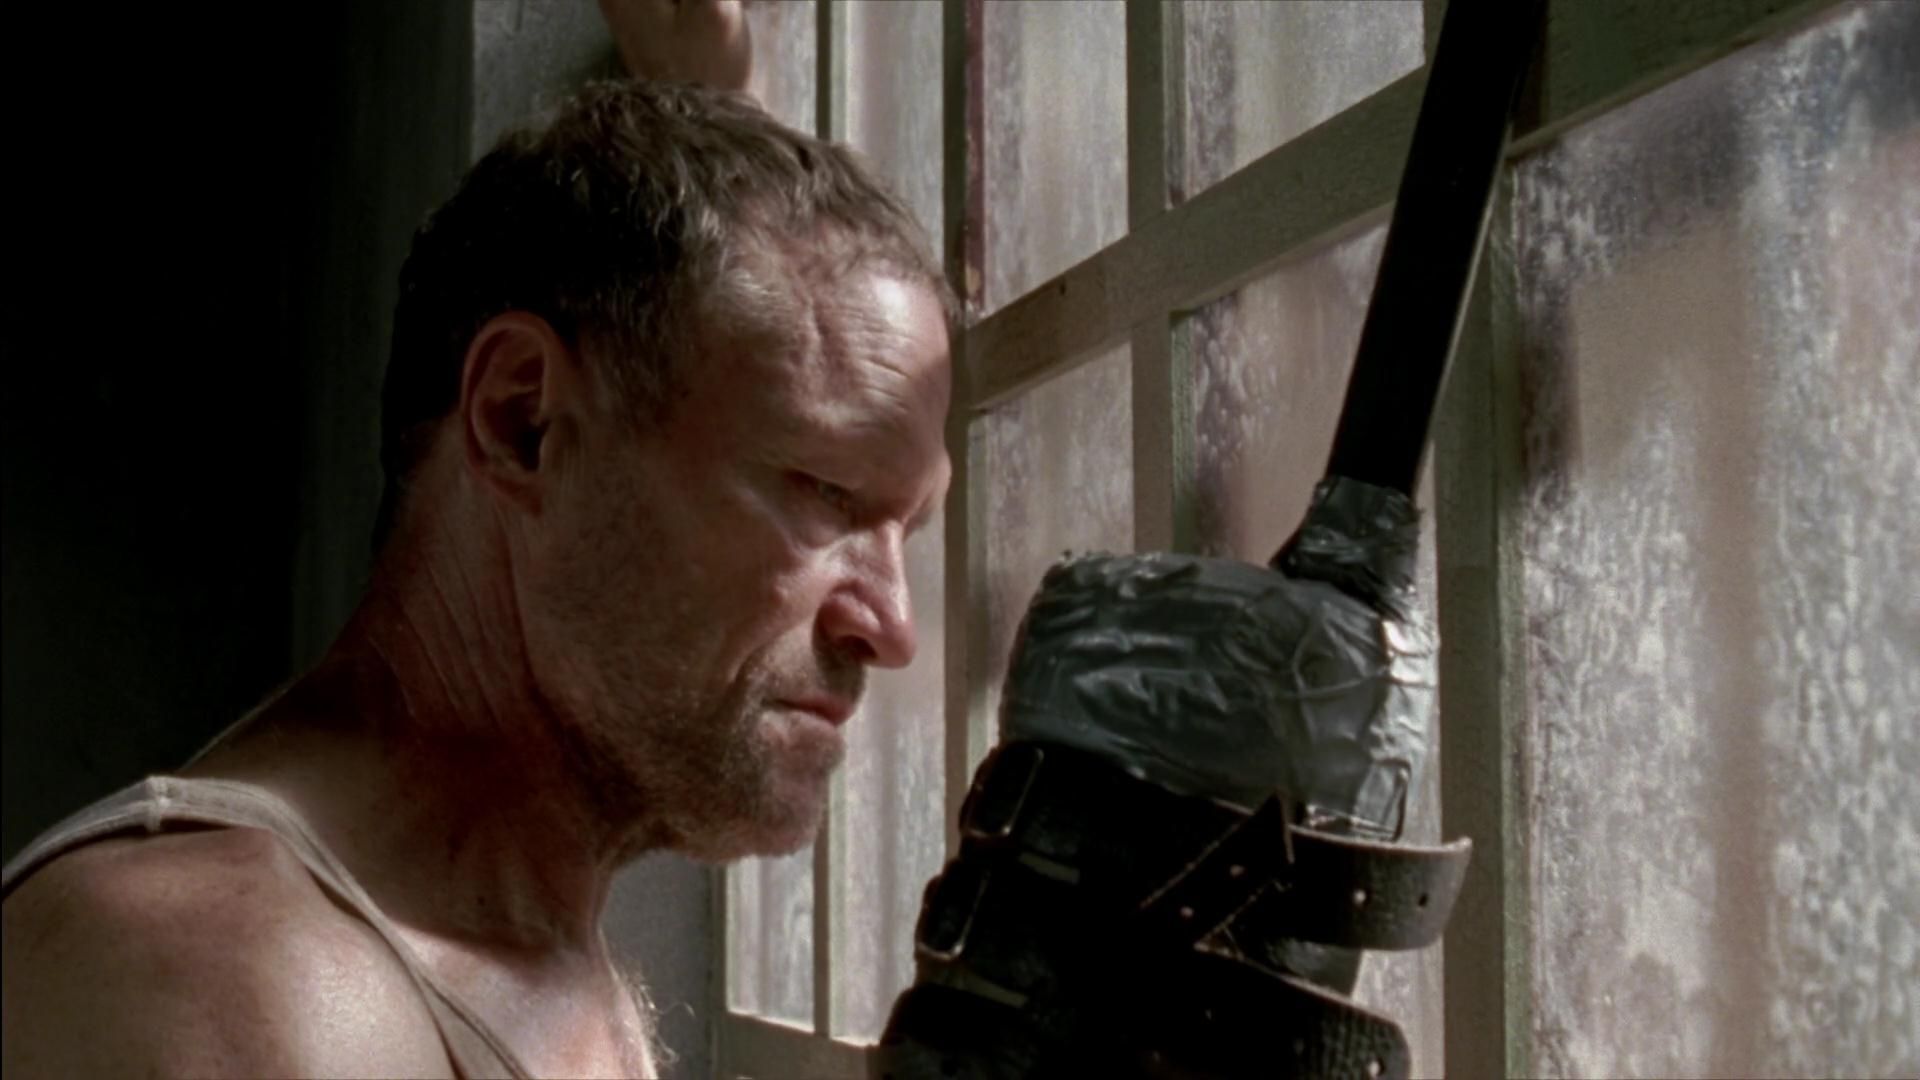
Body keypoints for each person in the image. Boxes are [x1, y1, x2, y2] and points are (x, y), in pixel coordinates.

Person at [0, 67, 953, 1079]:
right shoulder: (228, 976)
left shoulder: (524, 948)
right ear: (523, 421)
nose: (891, 626)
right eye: (824, 491)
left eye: (911, 526)